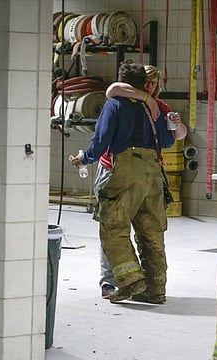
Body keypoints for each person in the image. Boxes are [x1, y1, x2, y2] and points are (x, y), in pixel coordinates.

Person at [71, 60, 186, 304]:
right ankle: (156, 289)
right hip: (153, 172)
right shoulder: (155, 109)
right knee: (151, 232)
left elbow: (102, 139)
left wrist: (85, 158)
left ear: (123, 82)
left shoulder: (115, 104)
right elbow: (166, 141)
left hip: (124, 169)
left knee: (113, 226)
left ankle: (130, 280)